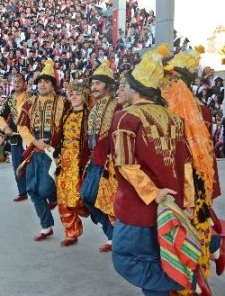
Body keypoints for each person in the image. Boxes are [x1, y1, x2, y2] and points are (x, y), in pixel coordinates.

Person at [110, 44, 211, 296]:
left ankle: (186, 280)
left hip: (140, 209)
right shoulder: (174, 119)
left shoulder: (126, 117)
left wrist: (153, 193)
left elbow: (125, 163)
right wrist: (186, 203)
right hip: (173, 208)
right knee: (159, 261)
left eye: (126, 85)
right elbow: (186, 166)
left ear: (134, 88)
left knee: (127, 259)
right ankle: (186, 278)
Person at [161, 46, 224, 282]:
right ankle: (210, 252)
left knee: (192, 219)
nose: (166, 84)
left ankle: (198, 271)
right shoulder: (170, 106)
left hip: (191, 176)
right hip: (177, 173)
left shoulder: (200, 111)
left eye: (171, 78)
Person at [17, 59, 71, 241]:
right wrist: (35, 142)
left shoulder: (64, 103)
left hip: (55, 154)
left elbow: (70, 127)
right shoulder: (29, 103)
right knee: (32, 190)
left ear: (53, 85)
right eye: (40, 81)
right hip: (35, 152)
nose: (42, 84)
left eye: (47, 81)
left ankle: (55, 201)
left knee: (48, 189)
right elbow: (22, 127)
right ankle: (46, 226)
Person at [80, 59, 119, 252]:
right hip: (95, 159)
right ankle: (113, 234)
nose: (94, 87)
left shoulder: (117, 105)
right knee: (87, 196)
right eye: (92, 84)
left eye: (98, 83)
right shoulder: (94, 107)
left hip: (109, 161)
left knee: (101, 198)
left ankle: (115, 236)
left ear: (109, 85)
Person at [54, 80, 90, 247]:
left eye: (77, 94)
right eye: (72, 94)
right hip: (64, 159)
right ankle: (71, 232)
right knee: (62, 196)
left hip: (80, 159)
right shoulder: (66, 114)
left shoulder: (89, 115)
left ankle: (111, 233)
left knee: (78, 196)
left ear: (84, 96)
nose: (74, 97)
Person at [0, 74, 30, 202]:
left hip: (30, 137)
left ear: (24, 83)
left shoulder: (32, 97)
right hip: (15, 137)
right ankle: (22, 191)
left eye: (19, 81)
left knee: (33, 163)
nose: (16, 83)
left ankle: (36, 189)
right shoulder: (10, 99)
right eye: (14, 81)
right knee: (17, 164)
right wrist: (5, 128)